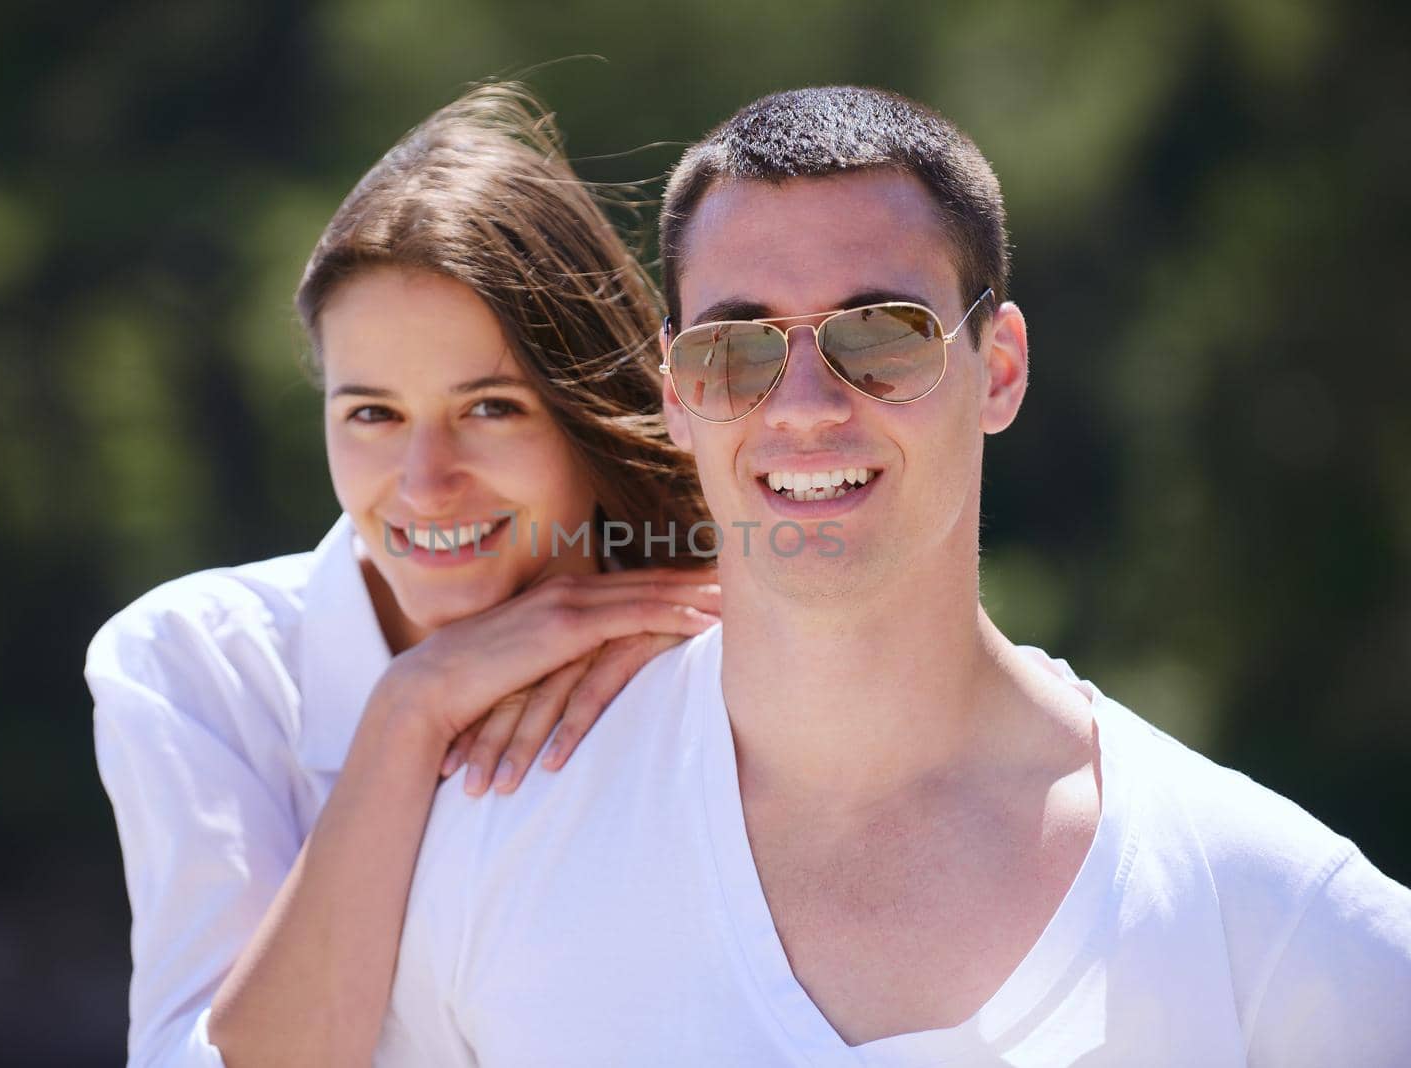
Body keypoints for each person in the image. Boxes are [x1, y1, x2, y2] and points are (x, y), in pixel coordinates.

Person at [375, 86, 1411, 1066]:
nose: (807, 404)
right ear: (678, 396)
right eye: (736, 348)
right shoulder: (494, 850)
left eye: (881, 336)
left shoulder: (1262, 917)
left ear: (997, 367)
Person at [85, 83, 722, 1068]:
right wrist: (406, 715)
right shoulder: (197, 663)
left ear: (590, 405)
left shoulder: (724, 647)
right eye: (372, 415)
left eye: (491, 408)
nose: (426, 484)